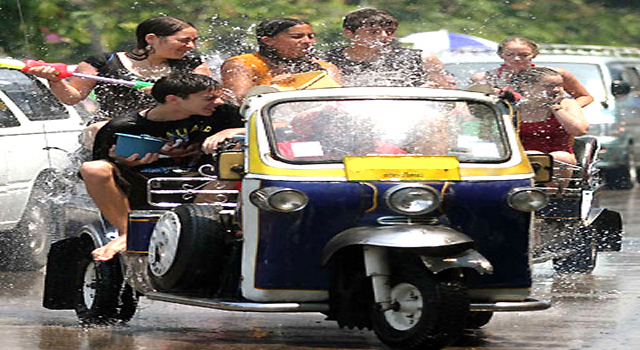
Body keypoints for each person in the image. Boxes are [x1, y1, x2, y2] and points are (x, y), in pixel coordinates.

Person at [83, 73, 244, 261]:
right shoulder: (123, 126)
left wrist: (233, 130)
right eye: (209, 98)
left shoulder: (223, 113)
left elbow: (274, 125)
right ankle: (128, 234)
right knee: (93, 169)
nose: (218, 102)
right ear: (172, 99)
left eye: (218, 96)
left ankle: (192, 231)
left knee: (231, 174)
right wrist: (124, 162)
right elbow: (102, 164)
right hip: (143, 184)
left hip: (200, 182)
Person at [26, 16, 212, 148]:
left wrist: (163, 91)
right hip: (114, 129)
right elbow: (71, 98)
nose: (191, 46)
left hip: (175, 131)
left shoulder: (193, 63)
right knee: (98, 129)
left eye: (194, 41)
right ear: (151, 39)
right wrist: (55, 81)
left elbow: (209, 97)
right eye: (184, 40)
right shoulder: (102, 62)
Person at [220, 17, 341, 105]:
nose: (308, 41)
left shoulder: (326, 68)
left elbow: (339, 102)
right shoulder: (243, 64)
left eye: (311, 36)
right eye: (297, 37)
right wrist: (270, 86)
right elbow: (239, 101)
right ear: (268, 41)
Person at [322, 8, 450, 88]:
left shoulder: (422, 59)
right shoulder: (327, 61)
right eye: (373, 32)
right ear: (349, 33)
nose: (384, 36)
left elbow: (448, 103)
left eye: (390, 31)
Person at [513, 67, 589, 184]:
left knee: (559, 158)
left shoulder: (568, 104)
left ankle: (554, 197)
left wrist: (555, 107)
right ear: (526, 86)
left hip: (560, 156)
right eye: (549, 86)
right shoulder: (513, 107)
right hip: (521, 156)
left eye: (560, 85)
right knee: (533, 156)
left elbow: (579, 130)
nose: (557, 90)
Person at [472, 37, 594, 107]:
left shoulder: (555, 75)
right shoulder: (485, 78)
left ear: (534, 55)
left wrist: (565, 109)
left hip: (545, 124)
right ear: (500, 55)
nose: (516, 59)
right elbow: (474, 106)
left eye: (523, 55)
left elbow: (585, 97)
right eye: (510, 54)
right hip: (503, 125)